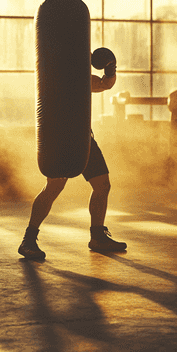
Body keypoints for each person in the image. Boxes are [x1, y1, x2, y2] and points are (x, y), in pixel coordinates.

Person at [18, 53, 126, 260]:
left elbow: (105, 84)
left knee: (103, 185)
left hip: (84, 138)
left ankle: (98, 237)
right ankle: (28, 240)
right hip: (60, 138)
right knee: (54, 187)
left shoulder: (83, 79)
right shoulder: (55, 77)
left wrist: (111, 68)